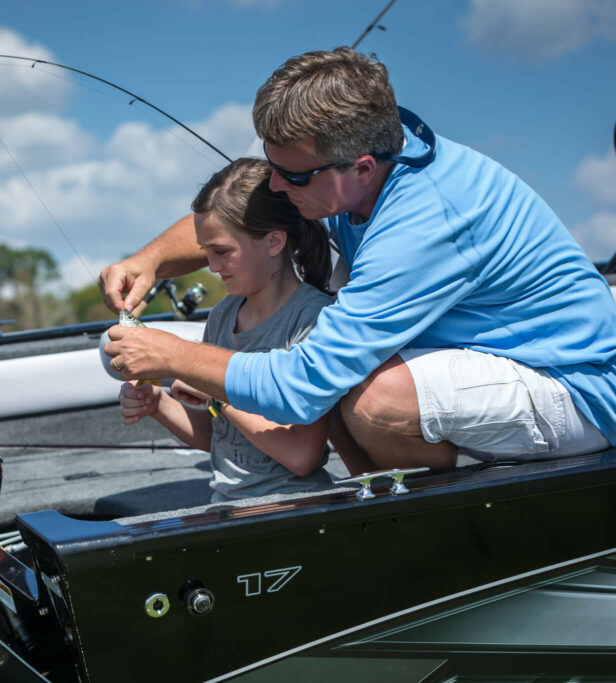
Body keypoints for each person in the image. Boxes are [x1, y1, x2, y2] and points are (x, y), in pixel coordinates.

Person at [102, 47, 616, 475]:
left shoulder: (425, 221)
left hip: (576, 387)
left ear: (363, 168)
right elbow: (248, 217)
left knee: (374, 398)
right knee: (352, 380)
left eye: (292, 177)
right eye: (273, 166)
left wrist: (174, 354)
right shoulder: (360, 163)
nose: (277, 187)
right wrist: (150, 260)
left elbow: (303, 387)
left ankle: (445, 521)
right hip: (491, 359)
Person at [119, 158, 334, 501]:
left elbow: (301, 456)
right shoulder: (222, 316)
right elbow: (215, 435)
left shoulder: (313, 319)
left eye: (222, 252)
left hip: (292, 505)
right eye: (207, 254)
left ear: (274, 242)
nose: (213, 267)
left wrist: (219, 394)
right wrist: (157, 403)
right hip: (225, 504)